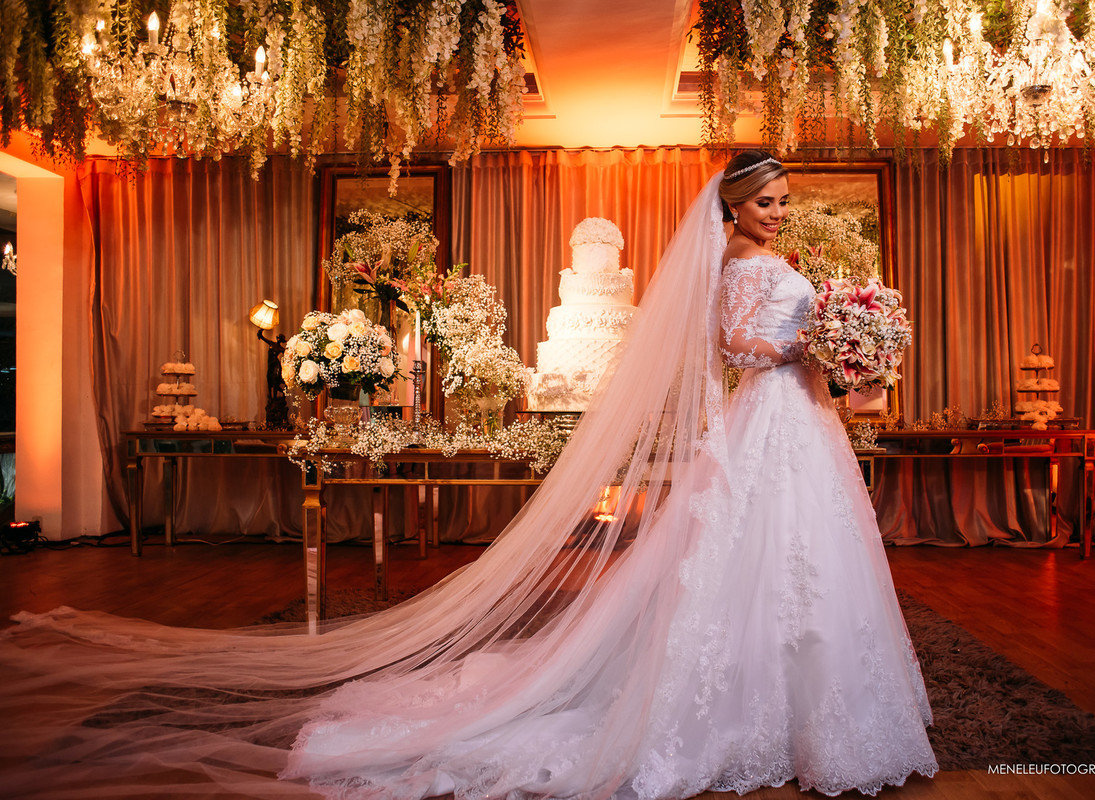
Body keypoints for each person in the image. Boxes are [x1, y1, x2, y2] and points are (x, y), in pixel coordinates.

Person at [0, 151, 937, 799]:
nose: (778, 211)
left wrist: (840, 357)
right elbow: (735, 343)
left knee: (806, 567)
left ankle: (808, 712)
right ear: (732, 208)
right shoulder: (737, 261)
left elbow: (779, 350)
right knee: (751, 562)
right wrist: (809, 337)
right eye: (766, 200)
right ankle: (741, 712)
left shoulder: (775, 257)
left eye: (784, 199)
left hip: (799, 426)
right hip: (768, 417)